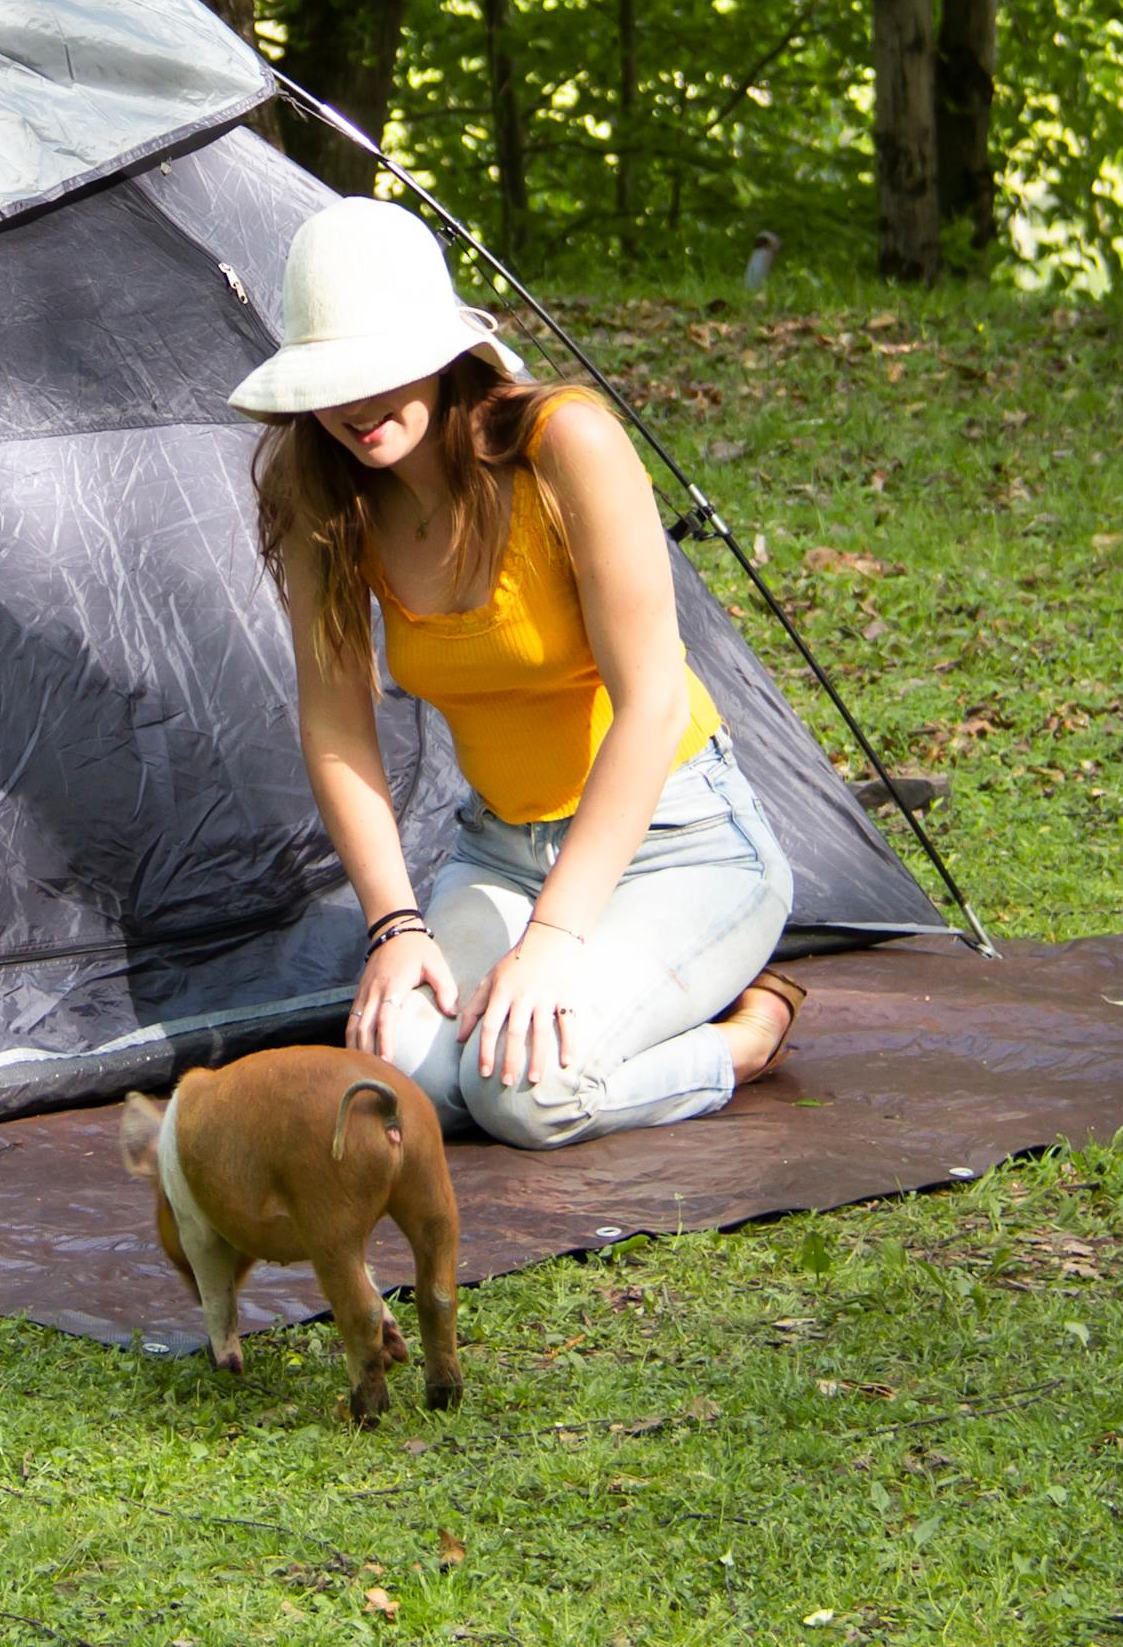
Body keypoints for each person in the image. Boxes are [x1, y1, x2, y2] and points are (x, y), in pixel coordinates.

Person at [235, 197, 804, 1151]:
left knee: (524, 1099)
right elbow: (335, 722)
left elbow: (653, 701)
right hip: (500, 853)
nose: (355, 405)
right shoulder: (323, 497)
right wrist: (395, 925)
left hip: (681, 842)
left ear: (444, 353)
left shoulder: (563, 445)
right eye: (330, 379)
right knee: (405, 1088)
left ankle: (740, 1043)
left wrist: (554, 940)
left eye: (379, 368)